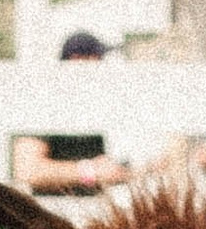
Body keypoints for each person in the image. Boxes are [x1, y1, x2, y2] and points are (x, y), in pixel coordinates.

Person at [8, 30, 133, 194]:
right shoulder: (46, 104)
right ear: (79, 60)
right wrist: (90, 171)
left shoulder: (98, 105)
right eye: (98, 58)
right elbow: (28, 169)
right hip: (58, 210)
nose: (103, 65)